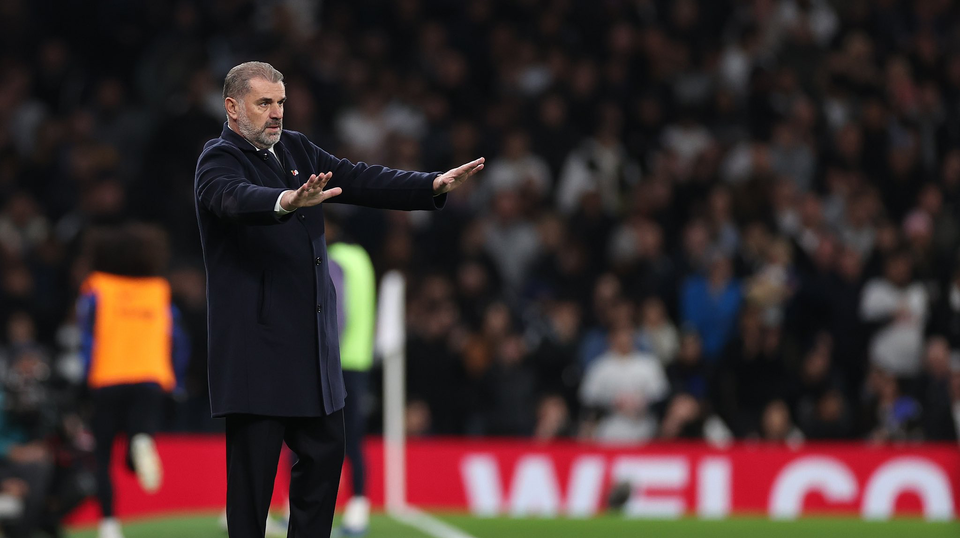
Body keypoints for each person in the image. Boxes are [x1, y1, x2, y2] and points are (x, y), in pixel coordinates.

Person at [194, 61, 482, 538]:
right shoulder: (218, 158)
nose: (276, 113)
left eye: (280, 102)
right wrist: (286, 201)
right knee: (251, 497)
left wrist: (427, 185)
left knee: (323, 474)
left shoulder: (297, 149)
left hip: (313, 354)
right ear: (232, 106)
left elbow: (359, 178)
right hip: (257, 354)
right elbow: (230, 198)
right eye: (264, 103)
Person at [76, 224, 190, 538]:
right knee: (140, 431)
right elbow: (177, 339)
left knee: (102, 456)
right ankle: (140, 440)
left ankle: (109, 525)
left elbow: (86, 336)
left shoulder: (96, 287)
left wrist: (85, 378)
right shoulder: (158, 290)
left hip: (108, 377)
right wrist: (176, 381)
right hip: (150, 377)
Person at [325, 214, 375, 536]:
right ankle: (358, 510)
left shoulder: (334, 259)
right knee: (353, 439)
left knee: (311, 436)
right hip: (360, 361)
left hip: (336, 361)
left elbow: (337, 314)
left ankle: (293, 510)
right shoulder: (362, 259)